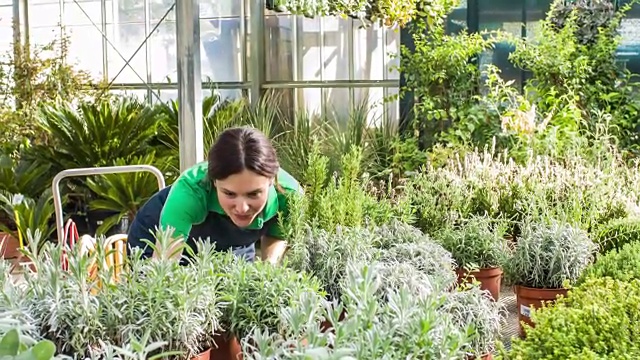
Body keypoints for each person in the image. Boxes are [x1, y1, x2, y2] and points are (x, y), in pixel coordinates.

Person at [126, 126, 302, 264]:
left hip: (231, 241)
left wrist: (268, 270)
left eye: (254, 194)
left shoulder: (289, 195)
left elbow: (277, 234)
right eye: (230, 194)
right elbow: (164, 265)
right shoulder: (190, 191)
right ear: (214, 181)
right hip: (161, 237)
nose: (242, 207)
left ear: (271, 180)